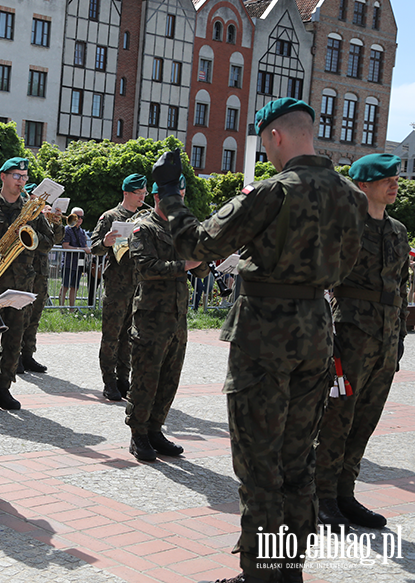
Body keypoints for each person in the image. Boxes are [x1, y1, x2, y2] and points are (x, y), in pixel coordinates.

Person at [153, 98, 368, 583]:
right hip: (316, 332)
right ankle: (287, 571)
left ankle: (259, 576)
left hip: (264, 338)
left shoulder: (275, 192)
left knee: (259, 464)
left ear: (274, 136)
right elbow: (348, 265)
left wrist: (170, 192)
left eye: (263, 144)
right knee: (297, 461)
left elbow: (197, 244)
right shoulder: (352, 197)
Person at [315, 154, 409, 530]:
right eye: (385, 178)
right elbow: (319, 284)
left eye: (395, 177)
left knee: (365, 420)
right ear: (362, 185)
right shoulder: (343, 227)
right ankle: (321, 497)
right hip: (349, 336)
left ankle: (344, 493)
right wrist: (326, 338)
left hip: (385, 341)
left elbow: (401, 288)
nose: (393, 183)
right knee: (336, 418)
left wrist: (399, 336)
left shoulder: (398, 231)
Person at [125, 176, 208, 462]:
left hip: (177, 317)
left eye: (182, 196)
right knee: (146, 378)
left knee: (169, 378)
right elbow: (145, 267)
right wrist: (184, 264)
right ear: (158, 197)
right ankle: (138, 434)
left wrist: (203, 255)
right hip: (150, 317)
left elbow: (200, 272)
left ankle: (156, 429)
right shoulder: (143, 228)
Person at [0, 157, 57, 411]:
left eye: (24, 177)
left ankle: (4, 388)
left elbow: (48, 240)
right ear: (3, 177)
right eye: (16, 176)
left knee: (14, 339)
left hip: (22, 283)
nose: (21, 181)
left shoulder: (31, 207)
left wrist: (30, 233)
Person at [91, 173, 149, 402]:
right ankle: (109, 380)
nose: (142, 198)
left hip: (138, 286)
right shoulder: (110, 217)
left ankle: (124, 378)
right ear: (127, 193)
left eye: (144, 194)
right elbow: (94, 246)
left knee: (130, 337)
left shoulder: (146, 218)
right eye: (139, 193)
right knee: (112, 336)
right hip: (117, 286)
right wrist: (105, 242)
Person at [20, 182, 64, 373]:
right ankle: (14, 356)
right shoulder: (24, 214)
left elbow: (54, 240)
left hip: (41, 273)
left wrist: (57, 221)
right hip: (24, 271)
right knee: (20, 316)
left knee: (35, 316)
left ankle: (28, 354)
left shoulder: (43, 218)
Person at [60, 207, 89, 308]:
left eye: (82, 217)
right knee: (65, 287)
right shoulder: (67, 230)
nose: (80, 219)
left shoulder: (81, 232)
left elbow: (84, 246)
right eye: (77, 216)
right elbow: (65, 246)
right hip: (68, 263)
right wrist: (82, 249)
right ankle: (61, 308)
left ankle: (71, 309)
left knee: (75, 287)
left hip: (78, 264)